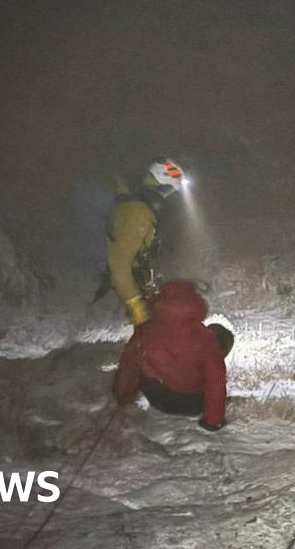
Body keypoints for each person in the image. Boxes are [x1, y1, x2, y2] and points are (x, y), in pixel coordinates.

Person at [112, 279, 233, 431]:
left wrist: (123, 396)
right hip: (189, 403)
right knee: (214, 351)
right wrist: (213, 421)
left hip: (156, 396)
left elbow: (129, 364)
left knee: (142, 364)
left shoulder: (147, 329)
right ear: (195, 303)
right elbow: (216, 383)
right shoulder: (205, 338)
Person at [106, 158, 186, 326]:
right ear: (163, 185)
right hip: (125, 293)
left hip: (133, 288)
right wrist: (139, 312)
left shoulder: (135, 206)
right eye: (170, 192)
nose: (168, 198)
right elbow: (119, 268)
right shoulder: (138, 212)